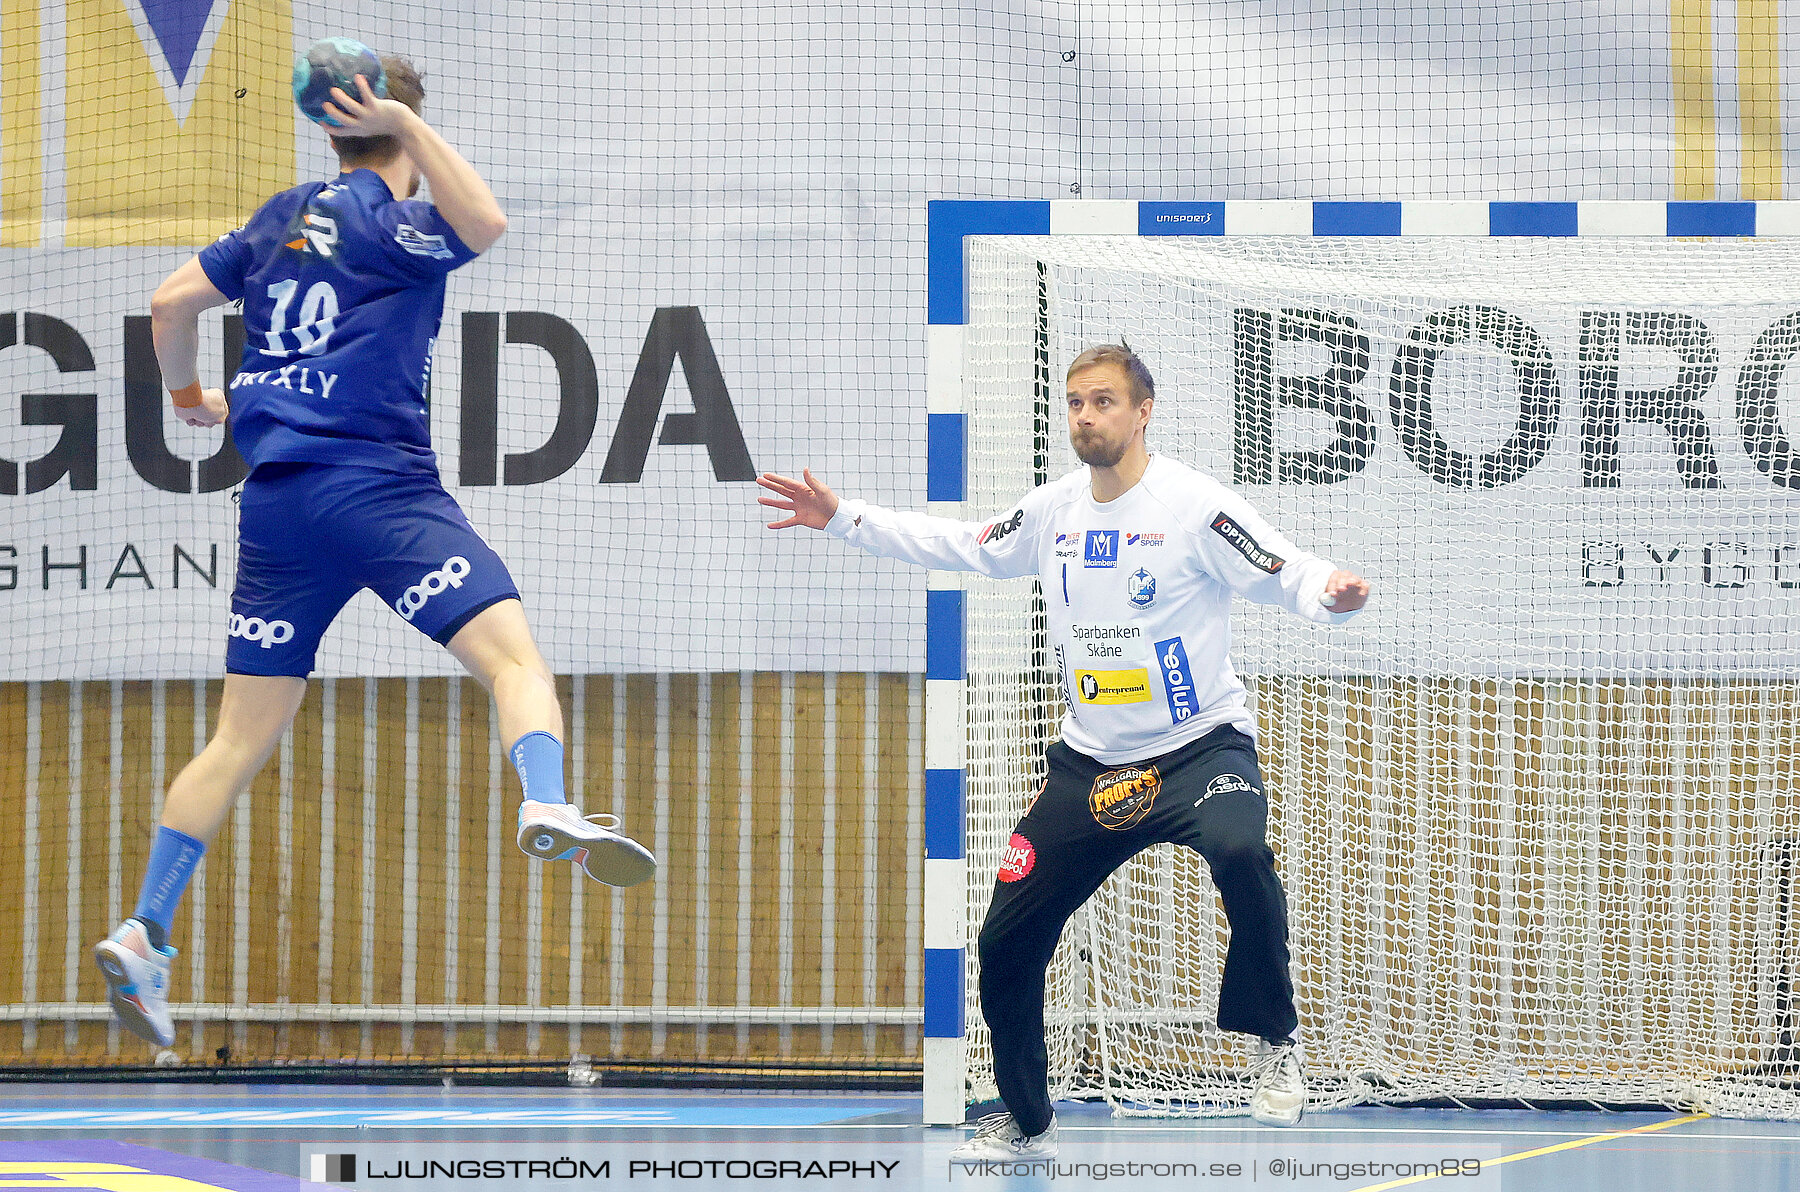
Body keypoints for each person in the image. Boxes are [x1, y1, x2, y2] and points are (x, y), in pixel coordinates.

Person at [93, 58, 655, 1050]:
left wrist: (190, 400)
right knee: (513, 661)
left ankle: (145, 929)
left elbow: (168, 304)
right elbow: (485, 224)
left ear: (328, 130)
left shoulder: (278, 217)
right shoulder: (391, 223)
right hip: (381, 493)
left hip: (276, 507)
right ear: (397, 126)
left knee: (238, 737)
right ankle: (550, 802)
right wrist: (409, 126)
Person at [758, 344, 1369, 1157]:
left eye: (1105, 401)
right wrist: (844, 518)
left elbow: (1281, 567)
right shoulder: (1052, 512)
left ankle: (1274, 1040)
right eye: (1077, 402)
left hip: (1199, 752)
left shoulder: (1193, 505)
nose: (1087, 416)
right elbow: (963, 544)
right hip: (1091, 773)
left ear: (1143, 411)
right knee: (1004, 939)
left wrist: (1331, 596)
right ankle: (1027, 1117)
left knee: (1242, 849)